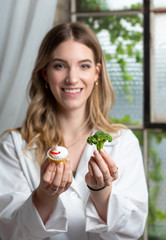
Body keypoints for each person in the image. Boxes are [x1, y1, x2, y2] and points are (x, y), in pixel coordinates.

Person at [0, 22, 148, 240]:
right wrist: (44, 196)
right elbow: (9, 229)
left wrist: (102, 191)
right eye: (60, 66)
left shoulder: (123, 143)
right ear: (44, 73)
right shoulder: (15, 144)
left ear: (97, 72)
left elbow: (133, 229)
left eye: (84, 66)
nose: (72, 78)